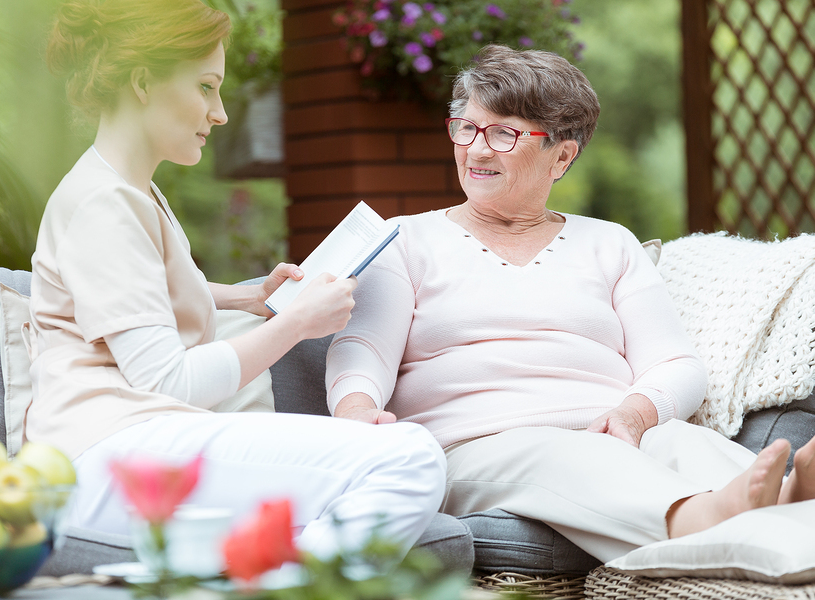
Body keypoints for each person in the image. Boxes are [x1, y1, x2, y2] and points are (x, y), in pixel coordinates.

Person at [325, 44, 815, 562]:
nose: (476, 149)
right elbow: (363, 347)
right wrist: (357, 410)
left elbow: (675, 363)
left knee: (682, 443)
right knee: (560, 454)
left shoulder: (610, 243)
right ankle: (699, 519)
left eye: (503, 133)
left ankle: (785, 507)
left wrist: (635, 413)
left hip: (609, 431)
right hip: (474, 443)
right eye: (466, 127)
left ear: (561, 155)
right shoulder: (402, 240)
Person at [26, 0, 446, 562]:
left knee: (367, 477)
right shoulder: (104, 204)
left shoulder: (127, 191)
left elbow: (138, 298)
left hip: (124, 446)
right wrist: (296, 324)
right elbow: (169, 382)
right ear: (144, 81)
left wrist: (252, 297)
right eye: (205, 87)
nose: (220, 112)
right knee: (409, 457)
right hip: (109, 452)